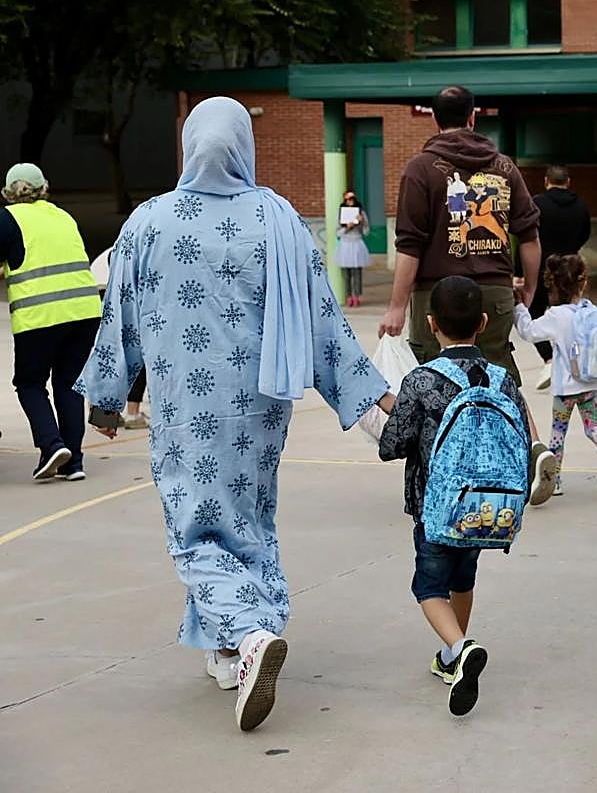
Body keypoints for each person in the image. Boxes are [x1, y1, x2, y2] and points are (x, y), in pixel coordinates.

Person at [76, 97, 392, 732]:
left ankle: (248, 635)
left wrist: (107, 398)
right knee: (244, 517)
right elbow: (323, 319)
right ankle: (227, 654)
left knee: (197, 529)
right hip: (261, 405)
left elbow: (121, 318)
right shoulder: (279, 218)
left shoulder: (149, 222)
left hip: (185, 408)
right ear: (245, 144)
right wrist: (376, 395)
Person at [379, 85, 557, 505]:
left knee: (439, 379)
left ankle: (454, 467)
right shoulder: (505, 167)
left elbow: (409, 245)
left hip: (436, 292)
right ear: (474, 117)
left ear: (434, 118)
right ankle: (533, 449)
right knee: (500, 373)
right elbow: (530, 235)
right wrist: (528, 288)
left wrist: (397, 306)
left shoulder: (420, 168)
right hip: (494, 289)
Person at [379, 276, 530, 716]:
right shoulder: (502, 380)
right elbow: (521, 438)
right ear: (483, 322)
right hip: (487, 506)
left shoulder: (421, 381)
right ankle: (451, 658)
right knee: (463, 579)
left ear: (430, 324)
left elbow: (392, 445)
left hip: (436, 508)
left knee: (429, 586)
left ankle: (461, 648)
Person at [0, 163, 102, 481]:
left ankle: (52, 444)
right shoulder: (63, 216)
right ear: (44, 188)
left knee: (29, 383)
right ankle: (74, 463)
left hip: (40, 315)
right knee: (69, 382)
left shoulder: (7, 219)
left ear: (7, 192)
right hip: (84, 312)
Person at [514, 254, 597, 499]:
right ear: (583, 283)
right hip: (592, 384)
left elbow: (528, 331)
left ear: (554, 285)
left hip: (565, 389)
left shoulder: (557, 316)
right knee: (594, 429)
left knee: (558, 434)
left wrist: (519, 307)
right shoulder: (592, 310)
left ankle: (554, 481)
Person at [529, 164, 592, 390]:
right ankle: (573, 359)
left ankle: (548, 358)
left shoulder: (537, 204)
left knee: (534, 312)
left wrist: (521, 270)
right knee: (571, 315)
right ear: (568, 181)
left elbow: (528, 236)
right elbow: (585, 232)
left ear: (546, 181)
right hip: (571, 267)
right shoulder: (580, 205)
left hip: (543, 266)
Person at [91, 244, 150, 429]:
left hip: (99, 303)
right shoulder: (136, 250)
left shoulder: (114, 250)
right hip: (117, 302)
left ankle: (102, 416)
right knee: (137, 360)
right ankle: (132, 414)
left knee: (107, 360)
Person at [336, 190, 370, 308]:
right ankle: (348, 296)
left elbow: (366, 232)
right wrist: (347, 227)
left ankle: (357, 297)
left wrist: (362, 222)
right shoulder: (340, 213)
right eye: (347, 200)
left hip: (356, 243)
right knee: (346, 274)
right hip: (345, 244)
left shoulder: (361, 213)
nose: (350, 202)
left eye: (352, 199)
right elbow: (337, 233)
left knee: (357, 273)